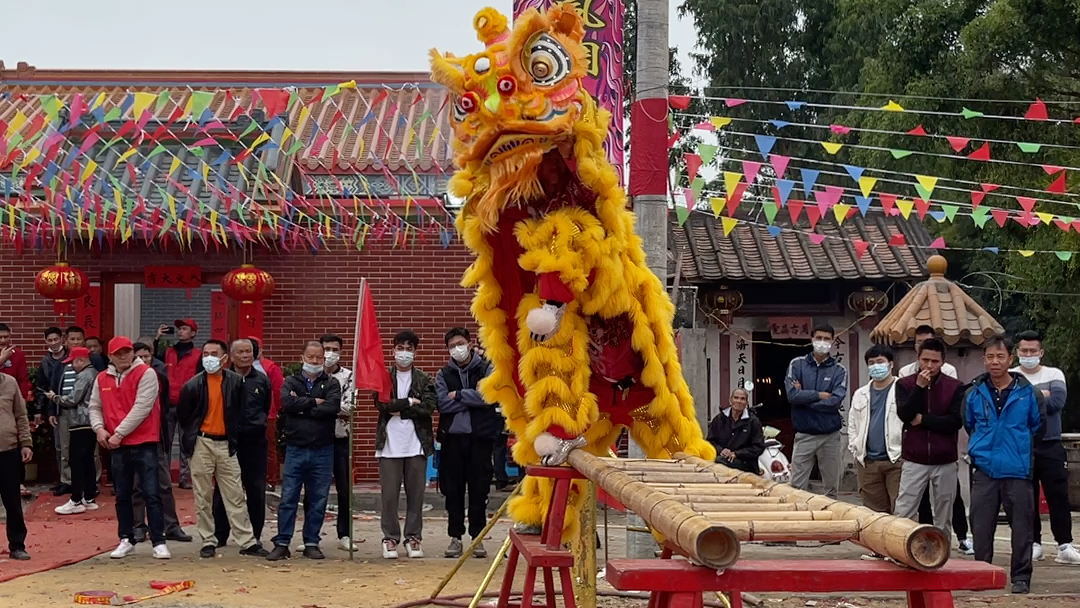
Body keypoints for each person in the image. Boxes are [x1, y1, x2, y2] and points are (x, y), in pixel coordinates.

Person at [966, 335, 1043, 594]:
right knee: (980, 525)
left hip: (1017, 470)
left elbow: (1036, 425)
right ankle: (980, 575)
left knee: (1022, 527)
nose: (995, 362)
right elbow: (969, 424)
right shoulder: (974, 392)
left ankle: (1021, 577)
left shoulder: (1027, 393)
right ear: (984, 359)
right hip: (985, 470)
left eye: (1000, 356)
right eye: (990, 356)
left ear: (1010, 359)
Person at [176, 339, 267, 558]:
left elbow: (244, 411)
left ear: (224, 358)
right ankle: (208, 540)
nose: (209, 357)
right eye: (205, 353)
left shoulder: (236, 382)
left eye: (214, 353)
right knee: (203, 495)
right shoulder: (193, 385)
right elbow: (184, 417)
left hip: (227, 444)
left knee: (234, 493)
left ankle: (247, 540)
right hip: (202, 443)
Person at [88, 337, 170, 560]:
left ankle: (158, 540)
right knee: (122, 494)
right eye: (118, 353)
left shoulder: (146, 373)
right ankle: (126, 538)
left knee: (151, 492)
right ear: (111, 356)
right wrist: (99, 429)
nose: (124, 356)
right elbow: (95, 406)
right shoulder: (102, 377)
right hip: (116, 444)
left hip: (144, 442)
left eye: (127, 351)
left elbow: (142, 407)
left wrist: (118, 433)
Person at [896, 326, 971, 553]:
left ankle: (941, 553)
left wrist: (925, 420)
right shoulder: (905, 384)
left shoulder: (955, 387)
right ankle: (899, 549)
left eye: (934, 361)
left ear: (942, 362)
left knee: (943, 512)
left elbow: (954, 422)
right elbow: (905, 415)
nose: (929, 366)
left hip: (944, 459)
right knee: (904, 509)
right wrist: (919, 388)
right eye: (925, 360)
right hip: (914, 458)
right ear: (918, 359)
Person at [267, 341, 341, 561]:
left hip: (323, 449)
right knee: (288, 497)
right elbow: (286, 404)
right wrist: (314, 403)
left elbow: (332, 408)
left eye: (319, 357)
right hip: (296, 448)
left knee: (318, 499)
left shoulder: (331, 383)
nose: (315, 361)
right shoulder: (290, 380)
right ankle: (282, 542)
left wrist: (303, 407)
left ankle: (311, 542)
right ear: (302, 358)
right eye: (311, 357)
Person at [1011, 330, 1080, 564]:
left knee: (1058, 496)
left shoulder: (1054, 373)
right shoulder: (1011, 375)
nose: (1028, 354)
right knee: (1026, 498)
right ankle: (1034, 543)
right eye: (1024, 351)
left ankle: (1064, 545)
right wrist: (1041, 394)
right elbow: (1011, 406)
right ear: (1017, 352)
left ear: (1041, 352)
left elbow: (1057, 402)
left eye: (1033, 351)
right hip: (1021, 446)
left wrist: (1026, 396)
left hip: (1051, 444)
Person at [435, 327, 498, 559]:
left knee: (479, 490)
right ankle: (455, 537)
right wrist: (473, 398)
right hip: (453, 440)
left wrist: (459, 395)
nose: (457, 349)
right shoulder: (443, 374)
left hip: (480, 439)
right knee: (453, 491)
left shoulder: (486, 368)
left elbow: (489, 396)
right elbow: (442, 404)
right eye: (452, 346)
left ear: (470, 344)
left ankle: (477, 538)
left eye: (460, 343)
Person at [375, 330, 436, 560]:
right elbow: (380, 404)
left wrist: (399, 408)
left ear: (415, 352)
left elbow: (428, 408)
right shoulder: (383, 376)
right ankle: (390, 538)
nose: (404, 353)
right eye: (400, 348)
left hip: (416, 444)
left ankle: (413, 537)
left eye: (409, 349)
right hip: (389, 444)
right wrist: (410, 401)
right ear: (393, 351)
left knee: (416, 495)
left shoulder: (424, 378)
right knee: (389, 495)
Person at [214, 339, 271, 550]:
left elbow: (266, 406)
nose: (245, 355)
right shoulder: (222, 378)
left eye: (249, 351)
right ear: (231, 355)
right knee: (223, 488)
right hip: (228, 442)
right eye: (241, 352)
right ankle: (220, 534)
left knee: (256, 489)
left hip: (255, 443)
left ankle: (254, 535)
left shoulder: (261, 380)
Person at [130, 343, 191, 543]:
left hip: (157, 438)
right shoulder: (128, 379)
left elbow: (164, 409)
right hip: (135, 439)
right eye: (139, 356)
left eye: (146, 356)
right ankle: (139, 526)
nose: (143, 360)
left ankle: (171, 525)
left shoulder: (160, 378)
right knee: (137, 485)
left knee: (164, 485)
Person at [784, 324, 847, 498]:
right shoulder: (796, 365)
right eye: (819, 338)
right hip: (804, 434)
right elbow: (791, 395)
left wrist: (804, 399)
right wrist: (818, 395)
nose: (822, 342)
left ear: (832, 341)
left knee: (831, 488)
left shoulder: (839, 371)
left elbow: (835, 401)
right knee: (796, 488)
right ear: (811, 339)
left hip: (830, 436)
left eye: (826, 339)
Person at [847, 345, 904, 516]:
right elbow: (852, 424)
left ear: (891, 364)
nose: (875, 366)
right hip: (868, 462)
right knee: (874, 515)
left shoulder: (903, 388)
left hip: (896, 459)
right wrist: (854, 447)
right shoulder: (860, 393)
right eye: (871, 363)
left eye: (880, 362)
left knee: (901, 511)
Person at [47, 347, 100, 515]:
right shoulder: (95, 373)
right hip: (90, 422)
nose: (71, 366)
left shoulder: (85, 375)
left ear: (81, 360)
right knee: (88, 461)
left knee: (77, 461)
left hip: (80, 422)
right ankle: (89, 497)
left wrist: (54, 397)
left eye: (72, 362)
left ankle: (76, 499)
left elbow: (72, 399)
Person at [320, 334, 359, 552]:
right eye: (326, 348)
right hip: (316, 439)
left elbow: (349, 407)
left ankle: (344, 533)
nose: (330, 354)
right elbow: (303, 404)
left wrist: (322, 406)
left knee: (344, 489)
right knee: (316, 489)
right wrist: (330, 407)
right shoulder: (311, 375)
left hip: (341, 438)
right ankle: (311, 536)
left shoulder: (348, 376)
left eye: (335, 349)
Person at [156, 319, 199, 489]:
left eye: (184, 328)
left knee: (186, 442)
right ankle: (164, 477)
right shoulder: (168, 352)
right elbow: (152, 360)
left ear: (193, 333)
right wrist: (157, 338)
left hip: (188, 406)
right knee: (165, 442)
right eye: (179, 329)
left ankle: (185, 477)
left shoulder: (198, 355)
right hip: (168, 404)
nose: (180, 331)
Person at [0, 368, 33, 560]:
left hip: (9, 450)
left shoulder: (10, 382)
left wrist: (26, 443)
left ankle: (18, 545)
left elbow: (21, 415)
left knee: (12, 501)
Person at [706, 387, 765, 473]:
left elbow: (758, 447)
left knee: (719, 462)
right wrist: (721, 450)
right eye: (736, 398)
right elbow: (710, 441)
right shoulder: (719, 419)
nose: (739, 401)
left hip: (746, 465)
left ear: (746, 403)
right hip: (721, 459)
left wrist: (736, 454)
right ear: (730, 400)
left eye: (742, 399)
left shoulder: (753, 422)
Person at [251, 338, 284, 489]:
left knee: (268, 448)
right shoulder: (240, 367)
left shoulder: (270, 367)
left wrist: (276, 411)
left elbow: (278, 391)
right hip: (247, 415)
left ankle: (270, 480)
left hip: (268, 415)